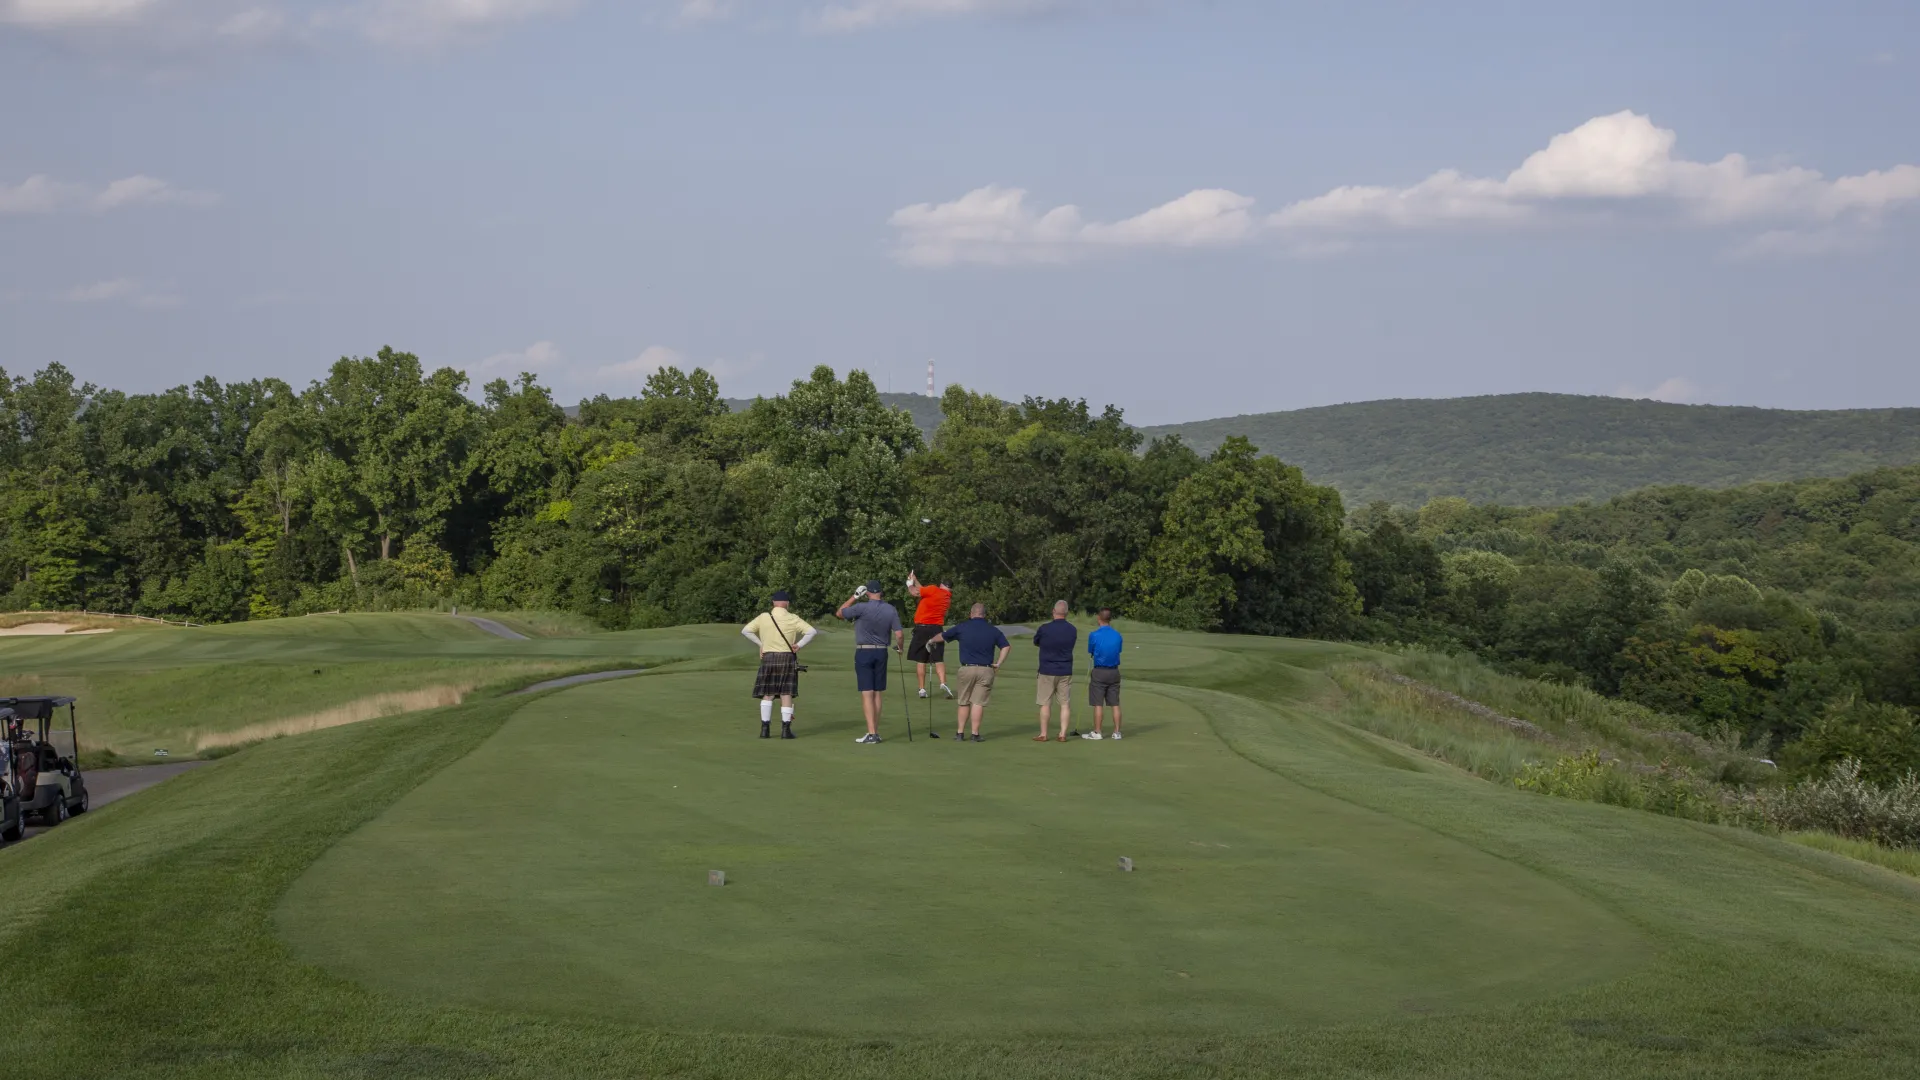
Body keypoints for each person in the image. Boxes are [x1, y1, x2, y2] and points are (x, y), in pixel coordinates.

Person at [740, 590, 817, 740]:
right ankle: (785, 731)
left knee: (768, 693)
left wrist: (761, 644)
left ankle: (765, 730)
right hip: (787, 657)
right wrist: (799, 645)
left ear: (773, 603)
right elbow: (812, 631)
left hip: (768, 657)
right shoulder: (793, 618)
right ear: (787, 603)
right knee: (785, 693)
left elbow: (746, 631)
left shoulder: (764, 617)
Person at [930, 602, 1010, 742]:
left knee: (964, 702)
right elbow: (1006, 646)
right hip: (986, 669)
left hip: (966, 668)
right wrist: (999, 663)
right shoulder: (992, 630)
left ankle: (960, 733)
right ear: (984, 615)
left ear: (971, 614)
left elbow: (943, 636)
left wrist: (931, 640)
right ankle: (975, 734)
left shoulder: (963, 627)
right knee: (978, 703)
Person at [838, 580, 904, 745]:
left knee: (867, 692)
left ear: (867, 592)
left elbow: (840, 613)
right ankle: (875, 731)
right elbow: (899, 634)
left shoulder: (861, 607)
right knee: (877, 692)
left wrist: (854, 597)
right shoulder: (890, 609)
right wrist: (900, 648)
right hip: (881, 651)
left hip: (864, 651)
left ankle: (872, 734)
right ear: (881, 592)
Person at [1031, 600, 1078, 743]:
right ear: (1067, 613)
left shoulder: (1044, 628)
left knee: (1045, 703)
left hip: (1047, 670)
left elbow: (1036, 642)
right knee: (1064, 703)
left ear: (1053, 611)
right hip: (1065, 670)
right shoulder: (1072, 629)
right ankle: (1062, 734)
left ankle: (1044, 734)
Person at [905, 571, 954, 699]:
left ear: (941, 584)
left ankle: (922, 689)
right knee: (938, 658)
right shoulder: (947, 598)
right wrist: (915, 580)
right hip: (937, 630)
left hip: (922, 628)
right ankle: (943, 682)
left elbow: (915, 592)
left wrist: (909, 584)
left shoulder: (933, 589)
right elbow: (923, 590)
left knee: (921, 660)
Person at [1082, 608, 1123, 740]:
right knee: (1115, 703)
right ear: (1110, 619)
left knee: (1098, 703)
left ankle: (1097, 732)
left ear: (1099, 618)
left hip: (1100, 671)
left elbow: (1091, 650)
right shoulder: (1118, 635)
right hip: (1114, 672)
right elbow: (1118, 650)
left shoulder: (1094, 635)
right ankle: (1117, 732)